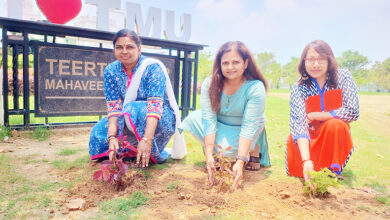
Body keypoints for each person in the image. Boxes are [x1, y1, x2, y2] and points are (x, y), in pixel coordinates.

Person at [179, 41, 270, 191]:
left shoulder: (255, 87)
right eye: (225, 63)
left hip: (244, 126)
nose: (230, 67)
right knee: (192, 119)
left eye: (236, 62)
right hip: (218, 125)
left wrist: (240, 161)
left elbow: (248, 126)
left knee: (227, 153)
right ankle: (219, 152)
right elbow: (208, 120)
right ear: (219, 64)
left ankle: (253, 148)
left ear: (246, 63)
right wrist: (208, 155)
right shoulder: (210, 83)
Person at [89, 29, 186, 167]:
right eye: (119, 47)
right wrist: (112, 138)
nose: (124, 51)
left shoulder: (152, 68)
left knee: (131, 109)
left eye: (129, 47)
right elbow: (114, 109)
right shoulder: (111, 71)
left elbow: (154, 107)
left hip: (160, 117)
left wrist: (147, 139)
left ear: (139, 49)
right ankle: (128, 150)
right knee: (98, 132)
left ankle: (147, 148)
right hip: (129, 117)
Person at [286, 40, 359, 181]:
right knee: (295, 140)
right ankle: (308, 166)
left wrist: (317, 115)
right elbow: (298, 123)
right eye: (311, 59)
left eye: (321, 59)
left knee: (335, 125)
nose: (315, 64)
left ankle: (333, 168)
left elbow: (353, 111)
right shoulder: (298, 87)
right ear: (304, 62)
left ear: (329, 60)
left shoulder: (343, 77)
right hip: (310, 135)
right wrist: (306, 160)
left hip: (334, 135)